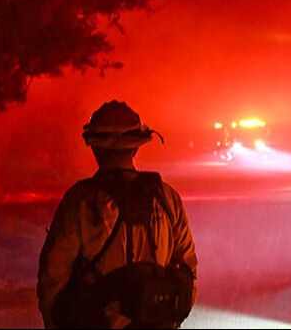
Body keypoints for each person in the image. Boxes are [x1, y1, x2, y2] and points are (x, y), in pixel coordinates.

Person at [38, 100, 198, 329]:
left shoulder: (80, 202)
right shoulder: (166, 197)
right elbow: (188, 269)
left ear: (95, 147)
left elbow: (52, 279)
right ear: (136, 147)